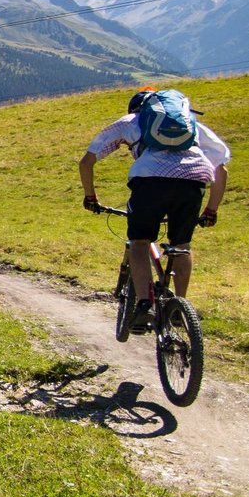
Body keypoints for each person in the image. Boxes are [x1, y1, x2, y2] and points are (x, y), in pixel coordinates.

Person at [78, 87, 230, 322]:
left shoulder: (131, 121)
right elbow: (221, 170)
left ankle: (144, 304)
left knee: (139, 243)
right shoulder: (192, 126)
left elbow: (87, 162)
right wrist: (211, 210)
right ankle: (180, 307)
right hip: (193, 180)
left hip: (149, 180)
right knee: (182, 245)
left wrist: (91, 197)